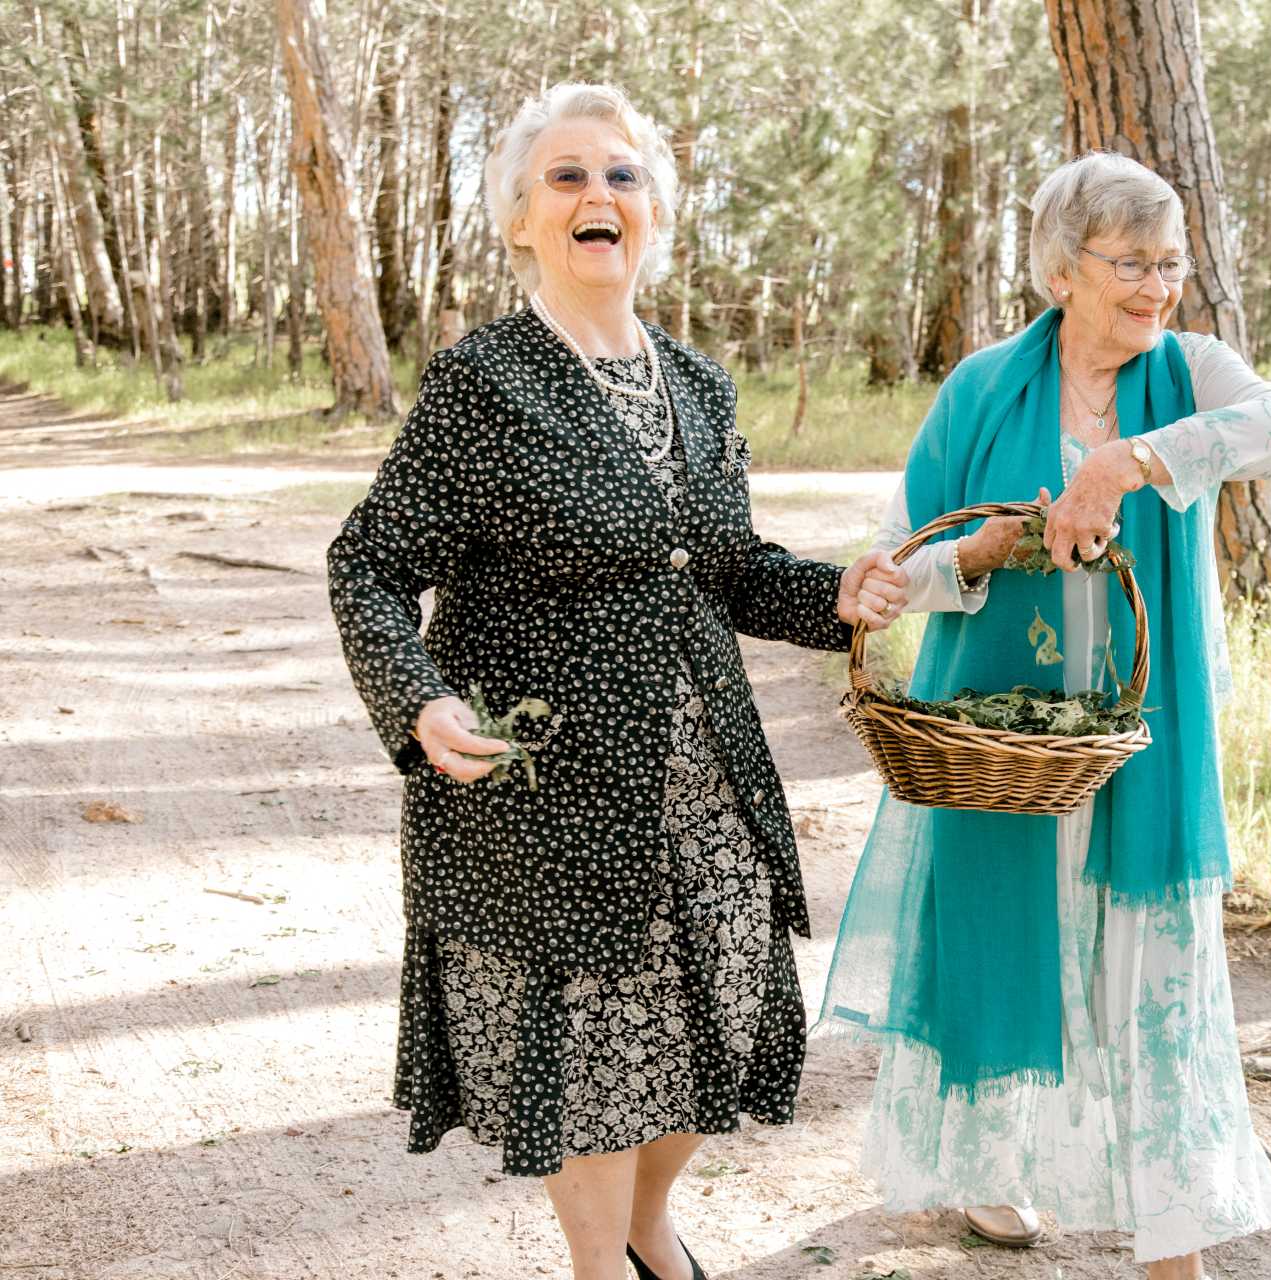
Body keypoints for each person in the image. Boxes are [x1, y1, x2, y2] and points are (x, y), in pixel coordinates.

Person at [327, 82, 907, 1280]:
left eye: (622, 174)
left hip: (706, 780)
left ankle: (649, 1223)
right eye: (567, 175)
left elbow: (728, 567)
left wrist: (838, 593)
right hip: (549, 787)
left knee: (719, 1012)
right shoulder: (485, 381)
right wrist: (418, 699)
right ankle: (607, 1264)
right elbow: (370, 564)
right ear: (521, 220)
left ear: (654, 212)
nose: (599, 193)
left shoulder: (698, 382)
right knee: (591, 1050)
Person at [819, 152, 1271, 1277]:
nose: (1156, 286)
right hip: (999, 737)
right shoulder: (981, 388)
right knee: (1002, 933)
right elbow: (902, 555)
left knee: (1147, 959)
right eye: (1129, 263)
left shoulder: (1193, 370)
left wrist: (1133, 460)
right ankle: (993, 1163)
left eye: (1170, 262)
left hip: (1145, 728)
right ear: (1062, 271)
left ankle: (1172, 1237)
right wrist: (977, 554)